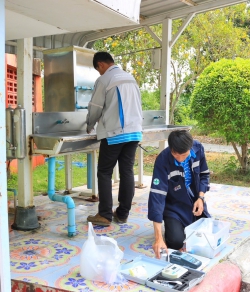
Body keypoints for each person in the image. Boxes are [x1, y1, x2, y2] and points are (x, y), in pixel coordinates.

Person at [85, 52, 143, 226]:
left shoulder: (104, 80)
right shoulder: (130, 78)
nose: (99, 73)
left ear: (101, 64)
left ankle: (104, 215)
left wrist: (89, 126)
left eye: (98, 69)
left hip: (115, 133)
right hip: (134, 132)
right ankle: (123, 214)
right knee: (127, 172)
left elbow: (95, 107)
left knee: (104, 172)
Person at [148, 130, 211, 259]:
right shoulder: (163, 160)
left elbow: (205, 175)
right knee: (175, 242)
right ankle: (170, 225)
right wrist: (158, 238)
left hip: (194, 201)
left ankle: (185, 222)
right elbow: (157, 196)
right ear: (170, 148)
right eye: (176, 155)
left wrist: (200, 198)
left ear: (190, 147)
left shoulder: (198, 149)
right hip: (173, 206)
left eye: (184, 154)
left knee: (206, 234)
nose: (180, 158)